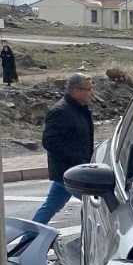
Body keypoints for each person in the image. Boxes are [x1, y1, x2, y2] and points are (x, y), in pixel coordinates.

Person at [32, 73, 95, 225]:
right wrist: (77, 159)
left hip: (75, 170)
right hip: (68, 172)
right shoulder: (61, 111)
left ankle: (28, 240)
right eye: (88, 89)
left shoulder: (80, 109)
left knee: (51, 206)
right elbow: (49, 141)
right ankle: (93, 239)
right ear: (75, 91)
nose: (91, 92)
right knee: (97, 203)